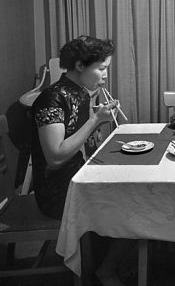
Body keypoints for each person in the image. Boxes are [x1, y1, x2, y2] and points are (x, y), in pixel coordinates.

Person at [31, 35, 129, 286]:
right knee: (130, 203)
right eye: (102, 68)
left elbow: (84, 144)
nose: (106, 75)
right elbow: (55, 157)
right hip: (58, 190)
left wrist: (100, 122)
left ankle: (104, 264)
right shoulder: (51, 98)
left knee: (133, 190)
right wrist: (96, 120)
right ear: (79, 66)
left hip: (80, 178)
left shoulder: (82, 93)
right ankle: (103, 269)